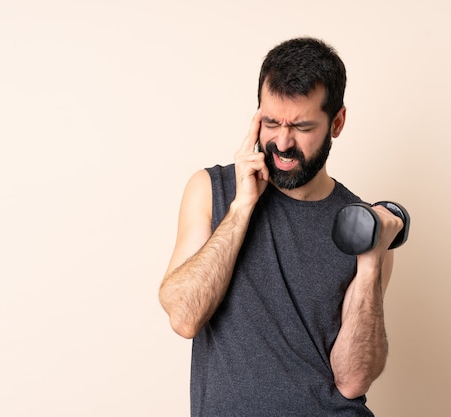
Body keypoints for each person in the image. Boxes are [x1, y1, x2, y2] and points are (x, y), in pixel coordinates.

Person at [159, 37, 404, 417]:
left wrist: (371, 262)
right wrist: (242, 207)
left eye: (303, 126)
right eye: (271, 122)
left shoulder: (363, 228)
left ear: (336, 123)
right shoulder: (212, 191)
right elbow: (184, 317)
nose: (283, 142)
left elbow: (352, 380)